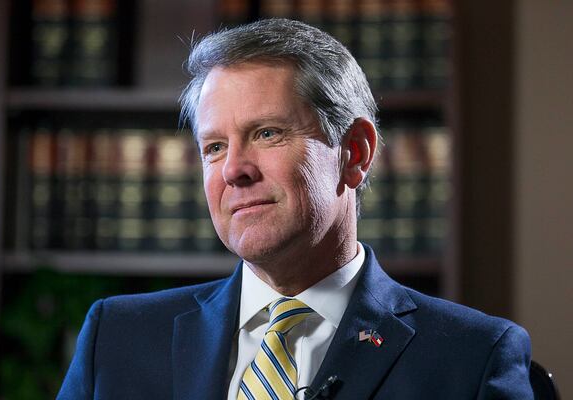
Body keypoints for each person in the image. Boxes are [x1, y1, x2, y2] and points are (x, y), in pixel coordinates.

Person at [58, 18, 533, 399]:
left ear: (356, 153)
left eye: (267, 133)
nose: (233, 171)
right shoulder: (117, 339)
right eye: (215, 147)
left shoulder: (473, 358)